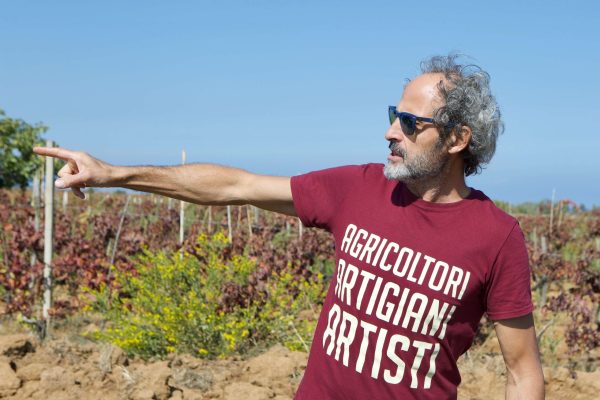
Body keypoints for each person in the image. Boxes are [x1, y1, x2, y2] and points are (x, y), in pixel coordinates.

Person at [34, 55, 544, 399]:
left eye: (411, 123)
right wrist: (115, 174)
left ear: (457, 139)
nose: (391, 131)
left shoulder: (497, 237)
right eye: (395, 114)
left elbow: (522, 372)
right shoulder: (359, 188)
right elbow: (235, 185)